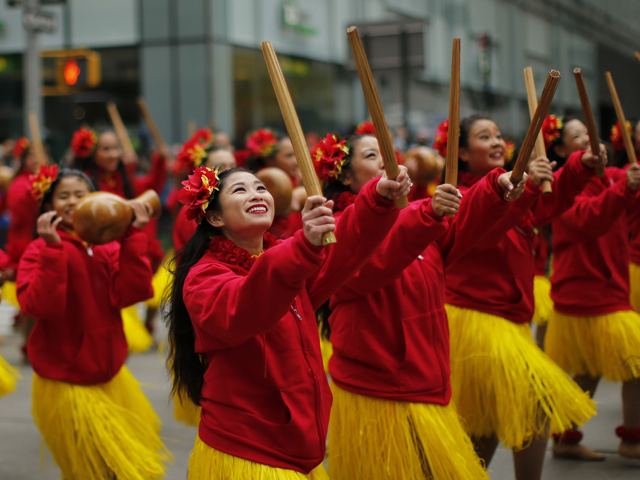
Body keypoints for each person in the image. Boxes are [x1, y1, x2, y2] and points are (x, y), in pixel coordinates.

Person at [166, 162, 409, 479]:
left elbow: (344, 247)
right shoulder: (204, 276)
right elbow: (243, 307)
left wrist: (377, 197)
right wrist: (304, 245)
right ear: (214, 217)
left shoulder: (284, 255)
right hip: (247, 448)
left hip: (298, 447)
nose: (257, 194)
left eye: (260, 187)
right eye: (240, 190)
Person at [315, 131, 526, 479]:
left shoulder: (414, 215)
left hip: (429, 380)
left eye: (387, 152)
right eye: (371, 155)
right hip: (377, 388)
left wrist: (497, 189)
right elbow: (371, 266)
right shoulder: (334, 232)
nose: (385, 159)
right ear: (346, 177)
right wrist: (426, 214)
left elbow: (464, 227)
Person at [443, 114, 604, 480]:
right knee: (535, 403)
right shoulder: (463, 198)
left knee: (485, 426)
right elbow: (487, 226)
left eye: (499, 134)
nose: (497, 141)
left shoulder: (510, 191)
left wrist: (579, 166)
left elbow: (546, 206)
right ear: (463, 153)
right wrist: (526, 188)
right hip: (477, 317)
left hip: (507, 321)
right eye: (485, 136)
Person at [17, 167, 169, 479]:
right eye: (63, 196)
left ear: (96, 199)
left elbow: (134, 293)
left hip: (109, 373)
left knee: (109, 468)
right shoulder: (39, 249)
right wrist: (52, 250)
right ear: (48, 207)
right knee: (100, 469)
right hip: (66, 379)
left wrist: (131, 237)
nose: (72, 201)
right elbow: (37, 306)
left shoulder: (109, 245)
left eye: (80, 194)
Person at [546, 158, 640, 461]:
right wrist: (627, 186)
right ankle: (633, 439)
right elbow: (589, 218)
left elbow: (626, 182)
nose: (590, 142)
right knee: (635, 362)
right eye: (579, 136)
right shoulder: (560, 188)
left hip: (609, 288)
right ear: (561, 149)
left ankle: (565, 438)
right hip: (586, 290)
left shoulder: (610, 178)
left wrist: (630, 180)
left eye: (591, 134)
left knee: (590, 370)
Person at [70, 126, 168, 349]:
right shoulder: (83, 185)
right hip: (98, 255)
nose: (114, 154)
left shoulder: (125, 178)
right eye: (106, 149)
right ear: (91, 153)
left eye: (116, 148)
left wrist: (160, 162)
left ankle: (143, 330)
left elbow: (152, 188)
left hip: (126, 251)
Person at [2, 138, 41, 363]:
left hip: (45, 245)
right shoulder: (19, 184)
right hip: (25, 249)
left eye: (41, 154)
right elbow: (21, 211)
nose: (37, 160)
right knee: (32, 303)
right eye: (32, 156)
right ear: (24, 160)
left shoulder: (47, 182)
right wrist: (38, 190)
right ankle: (29, 345)